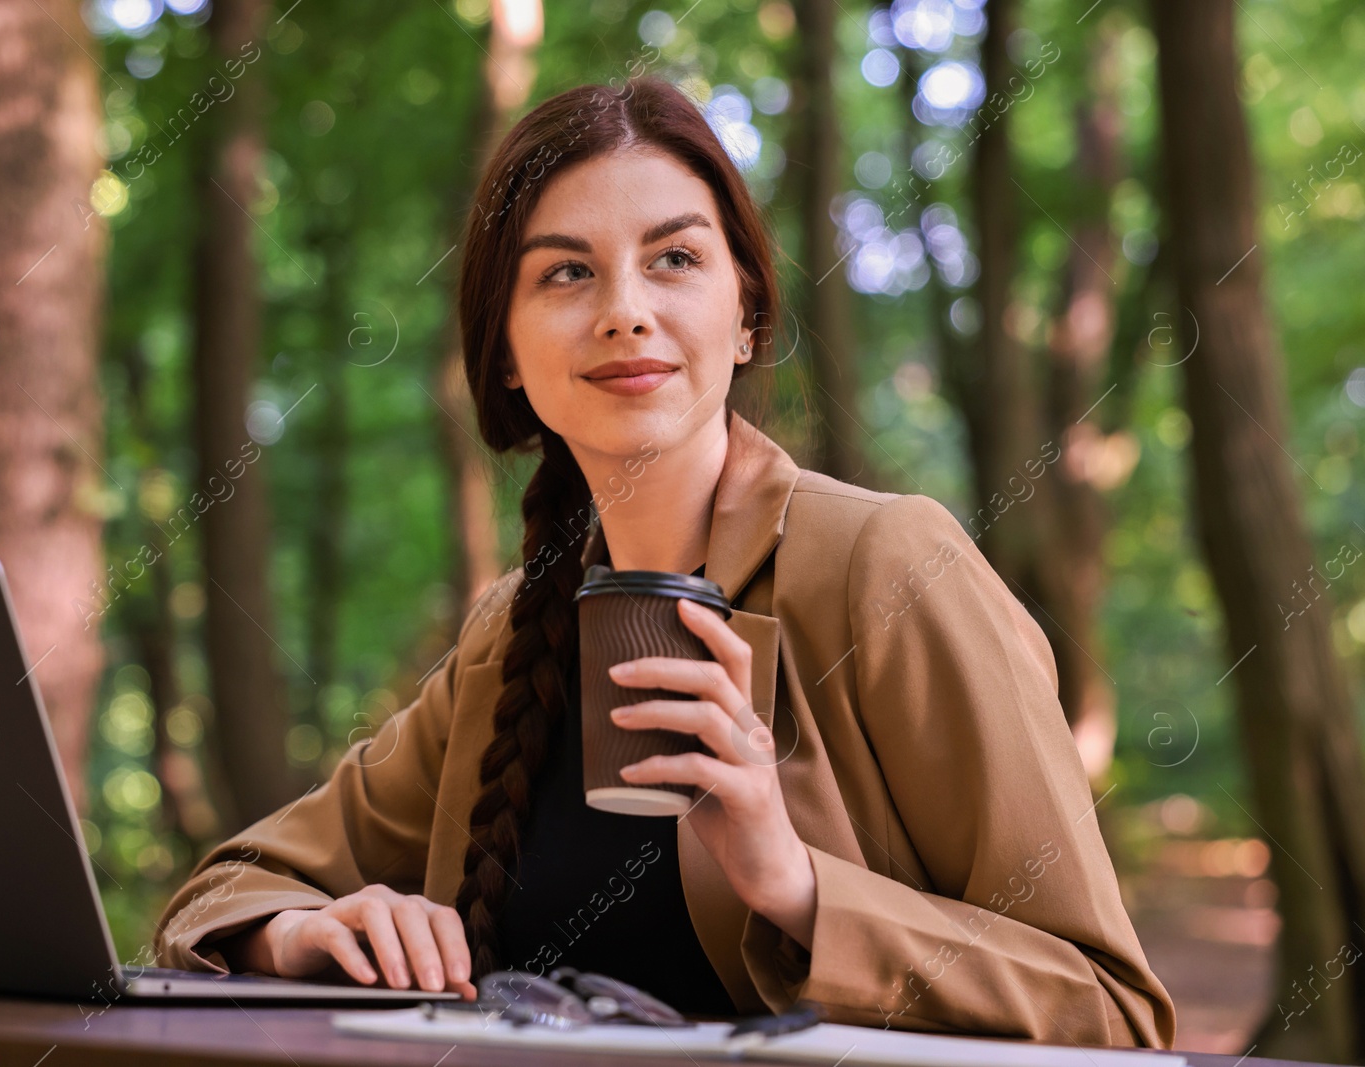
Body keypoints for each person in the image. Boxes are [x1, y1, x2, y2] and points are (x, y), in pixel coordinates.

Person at [152, 75, 1176, 1046]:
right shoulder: (506, 638)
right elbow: (226, 889)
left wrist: (796, 883)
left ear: (744, 316)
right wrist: (302, 932)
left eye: (674, 259)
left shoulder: (885, 565)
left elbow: (1110, 1005)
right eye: (565, 271)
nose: (623, 309)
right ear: (505, 352)